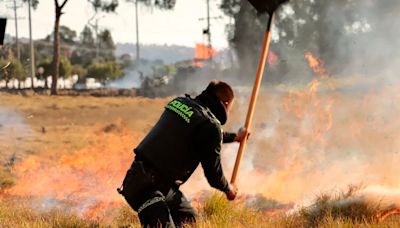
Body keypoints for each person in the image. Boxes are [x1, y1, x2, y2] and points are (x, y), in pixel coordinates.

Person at [118, 80, 249, 227]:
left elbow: (202, 134)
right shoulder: (210, 126)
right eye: (230, 108)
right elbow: (214, 176)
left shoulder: (181, 102)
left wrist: (234, 137)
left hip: (146, 179)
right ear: (225, 104)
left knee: (188, 220)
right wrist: (228, 189)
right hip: (146, 188)